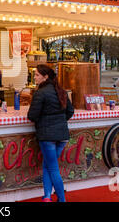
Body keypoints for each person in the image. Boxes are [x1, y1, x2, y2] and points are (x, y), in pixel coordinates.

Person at [27, 64, 74, 202]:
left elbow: (32, 116)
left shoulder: (40, 93)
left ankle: (62, 199)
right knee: (48, 165)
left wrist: (47, 122)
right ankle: (47, 196)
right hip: (62, 136)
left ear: (45, 77)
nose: (34, 77)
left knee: (53, 168)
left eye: (36, 75)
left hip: (47, 136)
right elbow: (70, 112)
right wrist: (59, 121)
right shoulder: (62, 91)